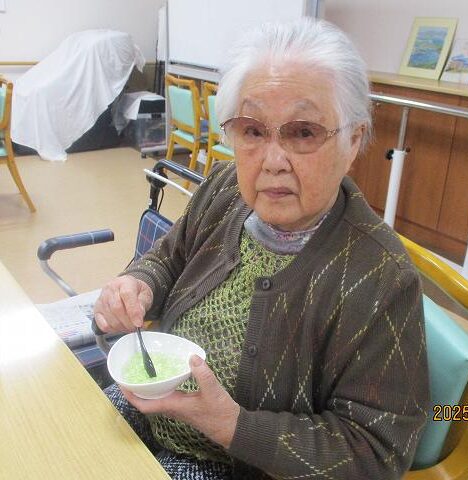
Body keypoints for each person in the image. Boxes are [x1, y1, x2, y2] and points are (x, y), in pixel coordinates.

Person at [94, 17, 429, 480]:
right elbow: (169, 258)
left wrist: (232, 426)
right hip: (146, 405)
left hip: (229, 465)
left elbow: (375, 454)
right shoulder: (225, 189)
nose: (272, 161)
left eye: (304, 132)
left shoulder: (382, 277)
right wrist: (138, 284)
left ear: (353, 141)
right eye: (252, 131)